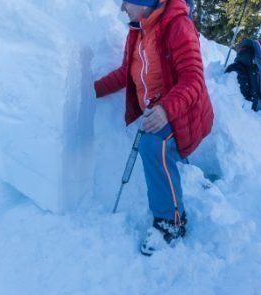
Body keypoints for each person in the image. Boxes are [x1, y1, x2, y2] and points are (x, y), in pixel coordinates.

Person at [94, 0, 213, 256]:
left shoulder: (178, 26)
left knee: (153, 144)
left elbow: (194, 78)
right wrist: (88, 91)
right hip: (162, 109)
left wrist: (166, 109)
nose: (122, 8)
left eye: (126, 2)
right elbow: (126, 72)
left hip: (184, 112)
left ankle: (171, 221)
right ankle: (183, 174)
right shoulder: (138, 29)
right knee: (159, 142)